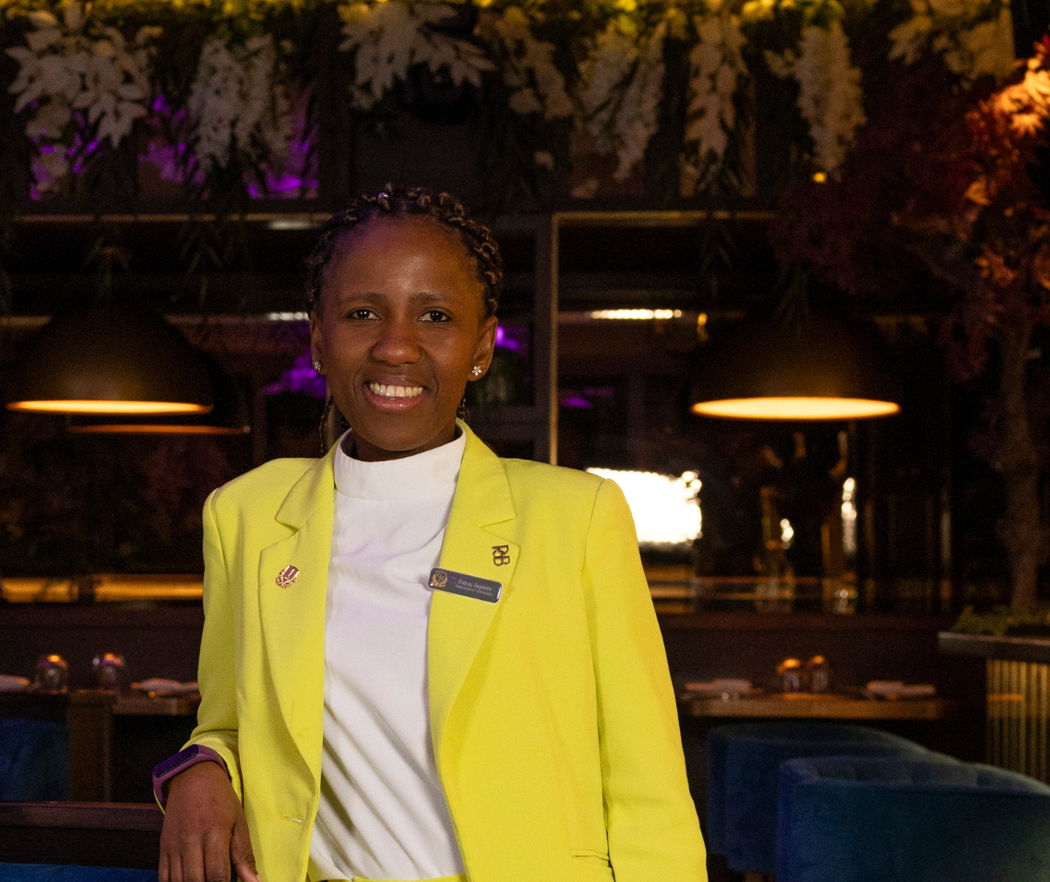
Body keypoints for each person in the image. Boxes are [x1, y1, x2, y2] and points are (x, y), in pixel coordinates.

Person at [156, 187, 707, 882]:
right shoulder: (246, 515)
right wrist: (197, 768)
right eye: (363, 313)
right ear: (319, 339)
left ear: (481, 347)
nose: (396, 346)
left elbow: (648, 788)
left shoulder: (576, 517)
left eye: (435, 316)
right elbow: (230, 722)